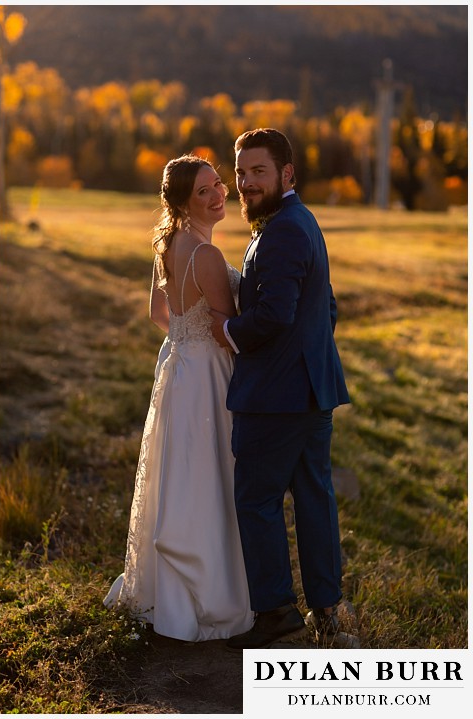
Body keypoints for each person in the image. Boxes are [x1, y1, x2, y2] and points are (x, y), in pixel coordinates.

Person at [104, 155, 254, 642]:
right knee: (208, 472)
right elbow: (229, 328)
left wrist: (183, 341)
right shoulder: (205, 256)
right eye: (206, 192)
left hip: (176, 370)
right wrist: (204, 344)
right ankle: (206, 590)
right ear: (187, 202)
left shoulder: (167, 244)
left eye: (219, 185)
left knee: (182, 471)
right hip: (206, 373)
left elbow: (156, 313)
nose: (220, 195)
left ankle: (167, 582)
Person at [210, 128, 350, 650]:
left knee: (258, 499)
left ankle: (275, 614)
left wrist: (226, 333)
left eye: (258, 172)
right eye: (241, 173)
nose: (245, 183)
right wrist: (307, 356)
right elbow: (327, 307)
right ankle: (325, 606)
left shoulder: (285, 230)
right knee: (314, 497)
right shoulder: (300, 222)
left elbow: (273, 314)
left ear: (287, 173)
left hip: (276, 398)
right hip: (310, 391)